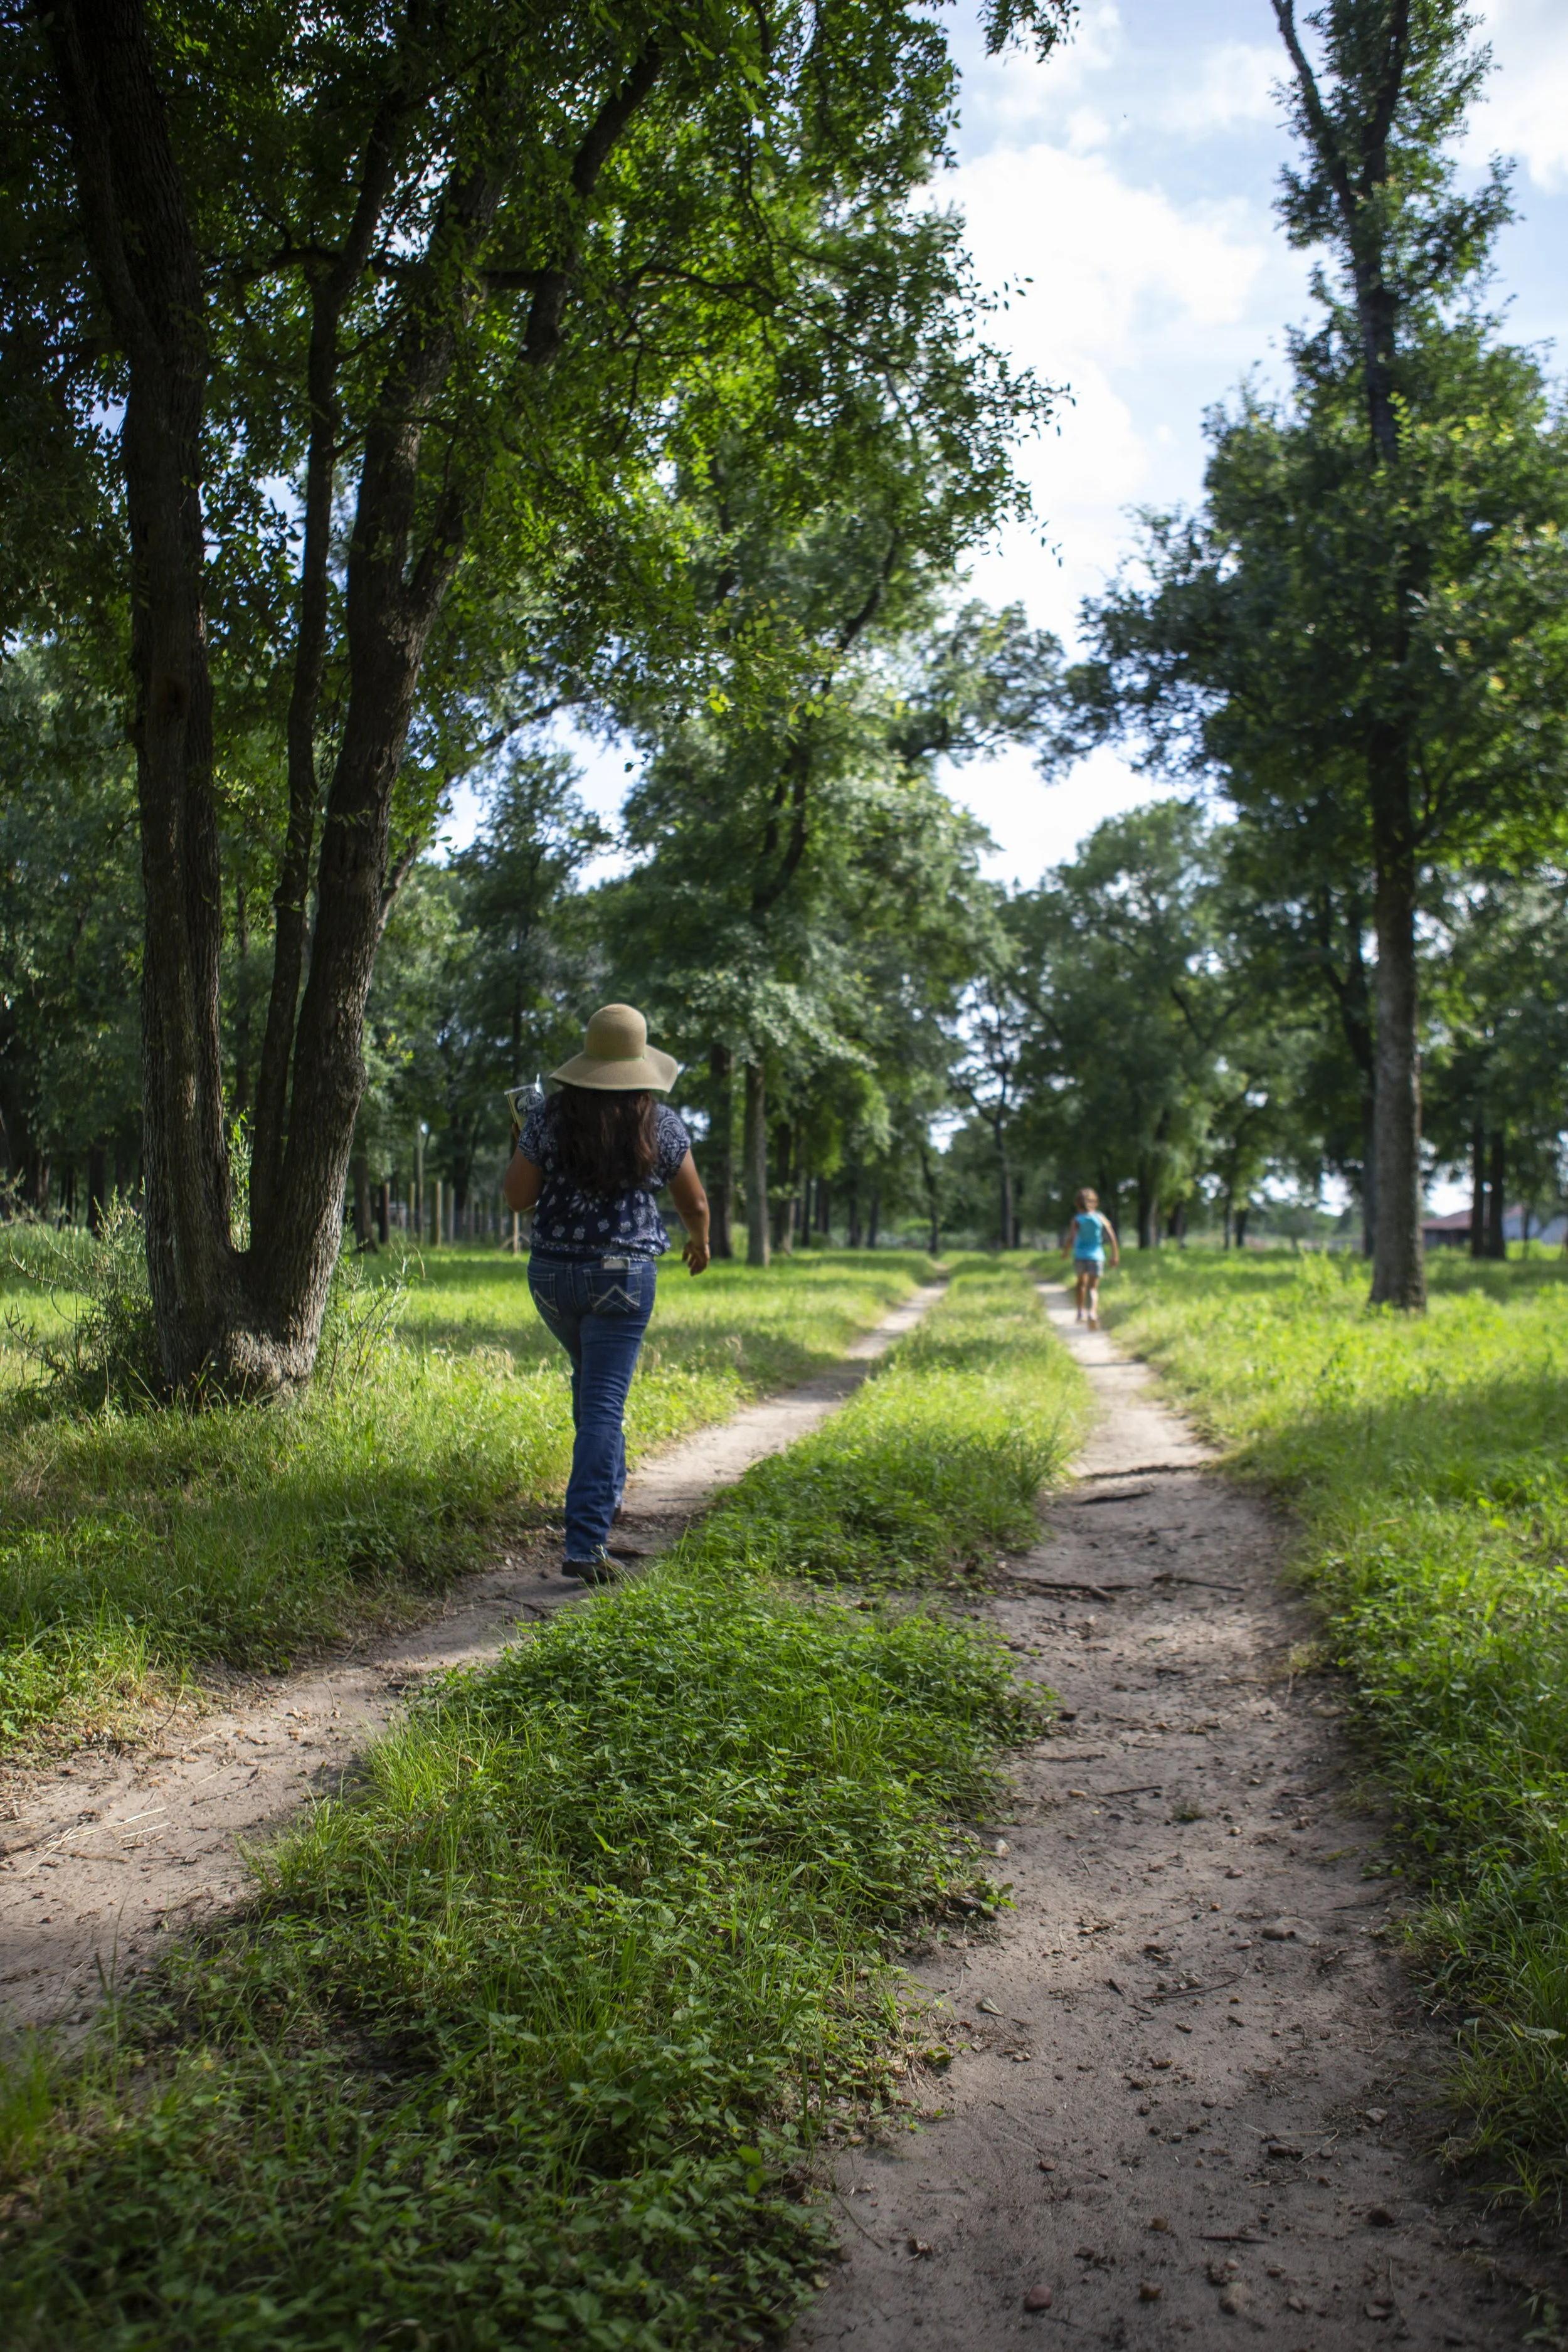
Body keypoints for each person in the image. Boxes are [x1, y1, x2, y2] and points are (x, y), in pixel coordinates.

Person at [503, 1003, 710, 1581]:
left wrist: (520, 1142)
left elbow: (518, 1199)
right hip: (622, 1277)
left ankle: (607, 1493)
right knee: (602, 1405)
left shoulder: (547, 1116)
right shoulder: (661, 1124)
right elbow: (693, 1202)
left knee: (590, 1385)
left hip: (550, 1277)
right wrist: (701, 1240)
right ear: (641, 1064)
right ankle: (587, 1543)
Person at [1060, 1187, 1118, 1328]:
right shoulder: (1100, 1218)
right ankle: (1092, 1312)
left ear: (1077, 1204)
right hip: (1097, 1256)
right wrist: (1115, 1254)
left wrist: (1066, 1251)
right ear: (1095, 1203)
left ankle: (1080, 1312)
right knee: (1093, 1288)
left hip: (1080, 1255)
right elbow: (1111, 1236)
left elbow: (1072, 1237)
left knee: (1081, 1284)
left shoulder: (1077, 1219)